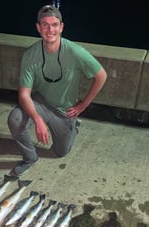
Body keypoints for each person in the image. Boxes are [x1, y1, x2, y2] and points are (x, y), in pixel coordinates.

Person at [8, 4, 107, 176]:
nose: (50, 29)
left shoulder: (75, 52)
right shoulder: (30, 54)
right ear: (38, 28)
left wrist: (83, 105)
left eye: (54, 24)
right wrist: (37, 120)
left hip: (63, 109)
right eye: (45, 24)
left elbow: (101, 76)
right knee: (15, 119)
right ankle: (30, 157)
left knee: (61, 152)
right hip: (40, 101)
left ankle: (73, 127)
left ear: (61, 27)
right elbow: (24, 95)